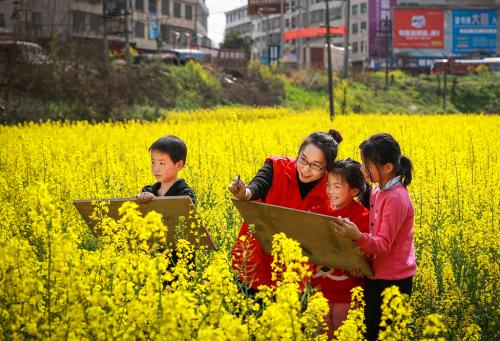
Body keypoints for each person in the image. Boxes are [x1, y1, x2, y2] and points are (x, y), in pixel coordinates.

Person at [228, 129, 343, 294]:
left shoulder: (331, 188)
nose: (305, 169)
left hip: (293, 275)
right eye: (302, 159)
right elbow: (257, 186)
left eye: (315, 166)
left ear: (327, 169)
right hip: (255, 263)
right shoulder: (277, 167)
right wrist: (243, 193)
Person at [334, 133, 416, 341]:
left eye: (367, 165)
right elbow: (375, 235)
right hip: (378, 274)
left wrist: (357, 236)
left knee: (385, 335)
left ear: (387, 167)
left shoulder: (396, 198)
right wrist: (361, 256)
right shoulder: (379, 191)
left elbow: (383, 244)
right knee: (370, 331)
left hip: (394, 280)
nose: (362, 169)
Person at [312, 158, 370, 338]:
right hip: (320, 289)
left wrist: (362, 265)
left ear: (354, 191)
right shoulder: (321, 210)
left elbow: (367, 251)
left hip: (348, 293)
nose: (330, 191)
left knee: (345, 335)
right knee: (322, 335)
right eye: (328, 185)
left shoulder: (362, 216)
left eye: (337, 187)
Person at [136, 135, 195, 204]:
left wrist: (155, 201)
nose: (155, 168)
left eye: (162, 163)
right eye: (153, 162)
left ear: (179, 165)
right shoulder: (147, 192)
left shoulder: (185, 194)